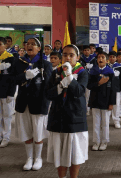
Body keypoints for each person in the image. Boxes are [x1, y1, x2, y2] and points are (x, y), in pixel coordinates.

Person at [46, 44, 89, 178]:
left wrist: (69, 77)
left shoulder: (82, 72)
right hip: (57, 117)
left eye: (71, 55)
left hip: (75, 116)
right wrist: (60, 85)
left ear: (78, 57)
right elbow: (48, 94)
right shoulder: (56, 72)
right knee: (59, 153)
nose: (68, 57)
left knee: (75, 153)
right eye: (65, 54)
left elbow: (79, 91)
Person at [12, 37, 52, 171]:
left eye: (33, 44)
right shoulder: (19, 62)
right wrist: (24, 77)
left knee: (38, 131)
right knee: (26, 131)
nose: (29, 46)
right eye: (27, 44)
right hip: (23, 102)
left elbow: (48, 85)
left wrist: (46, 104)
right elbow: (12, 80)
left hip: (39, 102)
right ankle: (29, 158)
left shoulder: (45, 64)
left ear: (39, 48)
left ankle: (38, 157)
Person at [88, 52, 117, 151]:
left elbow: (113, 89)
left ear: (107, 60)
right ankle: (96, 142)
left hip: (106, 101)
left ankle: (104, 142)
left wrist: (111, 103)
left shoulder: (110, 72)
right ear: (96, 60)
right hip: (95, 100)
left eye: (103, 57)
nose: (100, 59)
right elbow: (88, 86)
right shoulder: (93, 72)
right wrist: (98, 83)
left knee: (105, 123)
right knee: (95, 123)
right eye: (99, 57)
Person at [107, 51, 121, 129]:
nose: (112, 58)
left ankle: (116, 120)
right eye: (110, 57)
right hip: (107, 89)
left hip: (116, 89)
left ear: (116, 58)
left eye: (113, 57)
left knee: (116, 105)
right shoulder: (106, 67)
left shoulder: (119, 67)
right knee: (107, 105)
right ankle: (106, 121)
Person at [80, 45, 97, 116]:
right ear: (83, 51)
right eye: (85, 50)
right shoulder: (80, 59)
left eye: (88, 50)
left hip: (90, 79)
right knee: (81, 94)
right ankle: (81, 109)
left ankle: (87, 109)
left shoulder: (94, 59)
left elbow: (96, 69)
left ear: (90, 51)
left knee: (88, 95)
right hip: (82, 78)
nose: (86, 51)